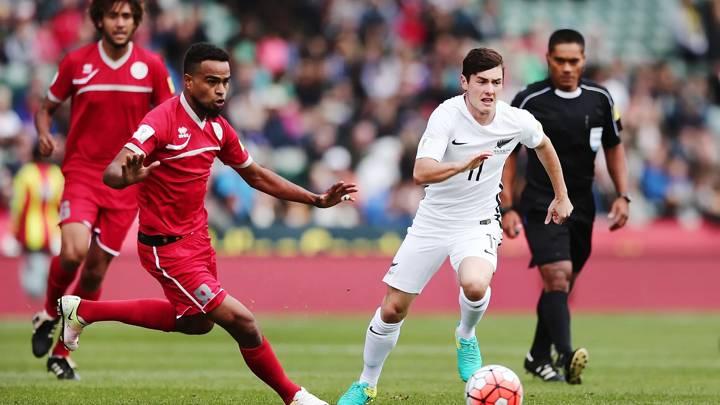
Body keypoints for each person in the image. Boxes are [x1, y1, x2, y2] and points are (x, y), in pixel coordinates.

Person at [57, 42, 356, 405]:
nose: (220, 90)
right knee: (243, 321)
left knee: (198, 323)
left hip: (197, 240)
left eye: (226, 82)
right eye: (211, 81)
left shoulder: (218, 129)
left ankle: (84, 310)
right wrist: (128, 175)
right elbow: (111, 172)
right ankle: (295, 397)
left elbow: (256, 175)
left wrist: (315, 199)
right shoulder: (160, 122)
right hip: (165, 248)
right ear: (188, 81)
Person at [336, 48, 573, 405]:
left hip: (477, 221)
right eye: (481, 82)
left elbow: (543, 145)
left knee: (475, 284)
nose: (489, 90)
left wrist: (562, 195)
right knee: (392, 308)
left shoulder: (515, 119)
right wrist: (462, 164)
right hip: (432, 221)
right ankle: (366, 384)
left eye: (496, 82)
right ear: (464, 83)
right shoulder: (446, 115)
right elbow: (421, 172)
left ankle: (466, 334)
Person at [31, 0, 174, 380]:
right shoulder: (77, 62)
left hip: (126, 180)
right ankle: (48, 311)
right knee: (74, 252)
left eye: (127, 16)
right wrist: (45, 134)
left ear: (137, 21)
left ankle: (62, 353)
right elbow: (45, 107)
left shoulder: (153, 66)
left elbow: (171, 117)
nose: (120, 22)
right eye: (113, 15)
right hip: (82, 172)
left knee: (94, 273)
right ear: (99, 19)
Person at [502, 29, 630, 384]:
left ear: (584, 60)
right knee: (557, 275)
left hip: (584, 204)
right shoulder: (529, 101)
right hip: (541, 202)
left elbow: (614, 146)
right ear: (547, 59)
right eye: (560, 60)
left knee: (562, 282)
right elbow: (509, 157)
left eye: (574, 61)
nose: (568, 67)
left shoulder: (601, 98)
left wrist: (623, 194)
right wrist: (508, 206)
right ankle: (567, 354)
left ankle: (537, 356)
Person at [11, 144, 64, 300]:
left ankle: (34, 302)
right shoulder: (56, 174)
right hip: (52, 227)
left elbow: (19, 204)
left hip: (30, 228)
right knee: (46, 266)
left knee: (32, 267)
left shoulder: (26, 173)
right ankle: (46, 298)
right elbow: (61, 203)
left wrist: (14, 230)